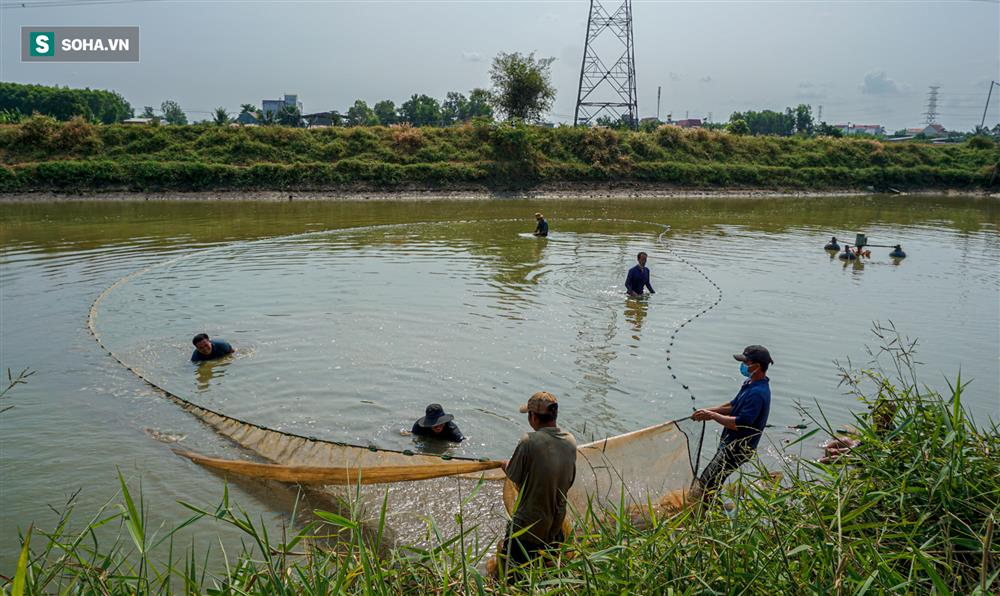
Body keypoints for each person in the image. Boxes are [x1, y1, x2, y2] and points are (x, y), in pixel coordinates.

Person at [497, 391, 576, 576]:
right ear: (554, 415)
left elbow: (513, 476)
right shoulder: (570, 441)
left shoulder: (528, 442)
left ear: (533, 417)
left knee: (513, 578)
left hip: (525, 530)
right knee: (543, 577)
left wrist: (504, 465)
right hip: (554, 530)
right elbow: (568, 481)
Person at [691, 345, 773, 502]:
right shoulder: (750, 384)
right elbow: (732, 406)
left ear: (756, 366)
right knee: (712, 483)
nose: (743, 365)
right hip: (729, 444)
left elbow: (740, 424)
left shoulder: (758, 393)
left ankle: (707, 517)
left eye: (746, 362)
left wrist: (713, 416)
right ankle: (713, 511)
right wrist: (707, 412)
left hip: (738, 448)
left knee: (707, 485)